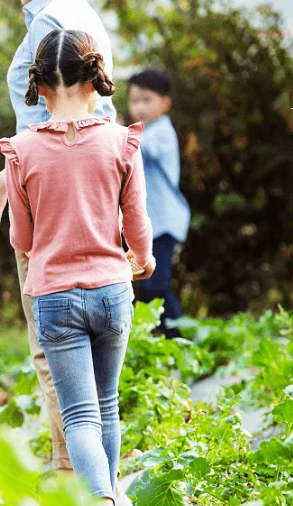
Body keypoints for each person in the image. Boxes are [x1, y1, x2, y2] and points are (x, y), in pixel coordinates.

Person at [0, 29, 154, 506]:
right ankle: (110, 497)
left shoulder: (22, 150)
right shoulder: (121, 141)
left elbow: (21, 238)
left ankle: (102, 503)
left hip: (54, 295)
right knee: (106, 405)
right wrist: (142, 260)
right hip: (112, 289)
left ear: (39, 88)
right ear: (96, 78)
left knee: (79, 414)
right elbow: (137, 222)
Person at [0, 0, 117, 477]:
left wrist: (7, 182)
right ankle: (96, 485)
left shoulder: (56, 19)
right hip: (82, 203)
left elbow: (60, 121)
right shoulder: (66, 13)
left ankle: (76, 481)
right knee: (99, 383)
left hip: (54, 202)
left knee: (54, 350)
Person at [128, 68, 189, 338]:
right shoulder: (142, 131)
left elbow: (142, 148)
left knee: (157, 287)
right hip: (148, 224)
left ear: (165, 103)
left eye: (146, 100)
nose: (139, 107)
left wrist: (116, 132)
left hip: (163, 223)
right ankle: (165, 342)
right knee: (147, 287)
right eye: (134, 100)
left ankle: (181, 341)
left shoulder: (161, 131)